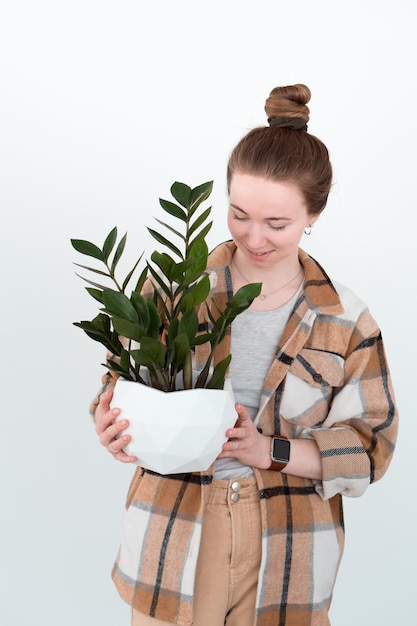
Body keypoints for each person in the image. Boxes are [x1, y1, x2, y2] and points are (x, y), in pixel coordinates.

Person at [91, 83, 398, 626]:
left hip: (288, 544)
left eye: (276, 224)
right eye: (238, 215)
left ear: (313, 214)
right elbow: (118, 382)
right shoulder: (175, 292)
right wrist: (109, 419)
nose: (254, 238)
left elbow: (370, 447)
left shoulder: (346, 319)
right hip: (178, 533)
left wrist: (270, 451)